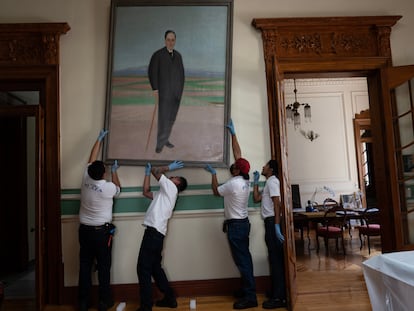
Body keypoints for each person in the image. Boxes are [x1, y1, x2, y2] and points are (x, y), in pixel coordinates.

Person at [204, 119, 258, 309]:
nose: (233, 165)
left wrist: (212, 174)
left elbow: (215, 191)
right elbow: (239, 154)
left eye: (235, 166)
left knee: (243, 261)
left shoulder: (234, 184)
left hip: (236, 226)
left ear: (237, 170)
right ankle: (246, 290)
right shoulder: (244, 180)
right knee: (244, 259)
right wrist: (233, 134)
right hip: (241, 224)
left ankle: (250, 297)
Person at [78, 129, 121, 311]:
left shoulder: (86, 178)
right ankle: (104, 302)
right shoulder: (109, 187)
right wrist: (115, 172)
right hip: (101, 234)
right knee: (104, 267)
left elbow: (91, 158)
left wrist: (98, 140)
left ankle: (83, 303)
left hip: (85, 232)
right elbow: (119, 188)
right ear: (104, 173)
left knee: (85, 267)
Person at [136, 160, 188, 311]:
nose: (171, 176)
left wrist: (167, 167)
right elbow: (145, 192)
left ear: (177, 182)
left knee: (143, 268)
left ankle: (146, 306)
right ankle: (170, 298)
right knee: (155, 268)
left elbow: (156, 171)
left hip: (153, 233)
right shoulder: (164, 193)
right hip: (157, 234)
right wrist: (146, 175)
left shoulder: (171, 188)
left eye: (174, 176)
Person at [252, 160, 287, 309]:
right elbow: (256, 198)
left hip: (273, 222)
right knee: (273, 259)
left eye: (265, 166)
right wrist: (255, 182)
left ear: (271, 169)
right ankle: (276, 292)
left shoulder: (273, 182)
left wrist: (277, 225)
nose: (262, 167)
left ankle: (279, 297)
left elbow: (277, 203)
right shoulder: (269, 182)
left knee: (276, 260)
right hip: (270, 222)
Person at [148, 30, 185, 154]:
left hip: (176, 95)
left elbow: (181, 75)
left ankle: (165, 139)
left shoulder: (178, 56)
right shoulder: (157, 55)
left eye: (173, 40)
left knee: (171, 119)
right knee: (163, 118)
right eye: (168, 40)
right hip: (163, 94)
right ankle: (159, 144)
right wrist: (155, 89)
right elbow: (152, 72)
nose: (170, 42)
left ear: (175, 41)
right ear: (165, 40)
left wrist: (180, 91)